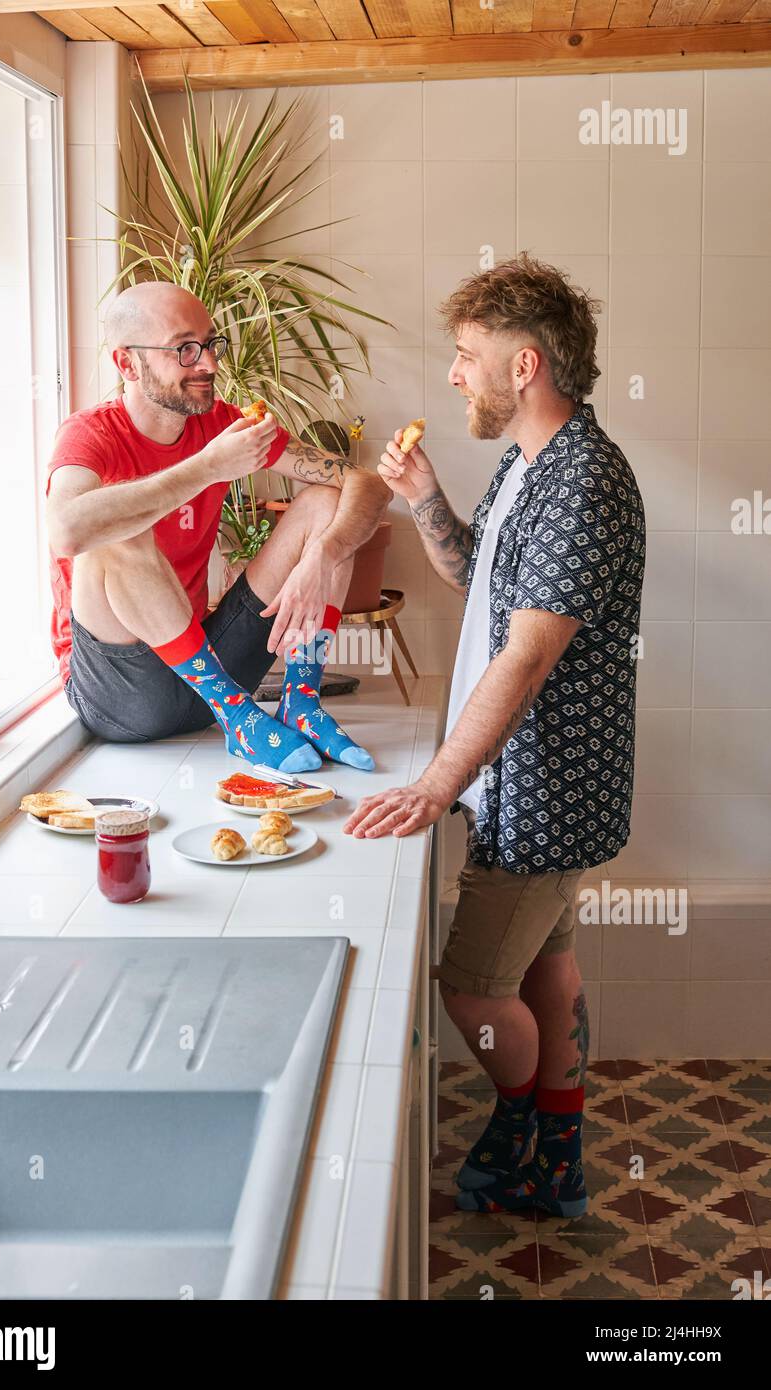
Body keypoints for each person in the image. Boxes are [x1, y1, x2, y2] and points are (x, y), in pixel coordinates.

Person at [343, 254, 646, 1218]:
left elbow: (520, 661)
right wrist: (424, 493)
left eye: (467, 354)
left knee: (472, 990)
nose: (453, 374)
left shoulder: (581, 481)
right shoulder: (531, 462)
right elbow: (478, 574)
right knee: (545, 967)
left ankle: (525, 1128)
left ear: (525, 364)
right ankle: (555, 1161)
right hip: (526, 782)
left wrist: (435, 784)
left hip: (544, 785)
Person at [46, 282, 391, 772]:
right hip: (125, 696)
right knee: (115, 529)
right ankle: (236, 717)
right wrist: (207, 467)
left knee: (324, 502)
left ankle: (301, 704)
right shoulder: (90, 434)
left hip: (207, 675)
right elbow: (66, 530)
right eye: (185, 349)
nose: (207, 364)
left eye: (210, 344)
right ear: (127, 364)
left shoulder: (224, 426)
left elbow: (367, 485)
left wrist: (324, 554)